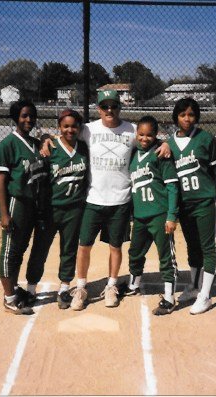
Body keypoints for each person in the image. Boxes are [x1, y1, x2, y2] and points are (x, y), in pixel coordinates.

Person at [43, 89, 170, 311]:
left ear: (120, 107)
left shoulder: (131, 130)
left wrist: (165, 143)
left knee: (115, 246)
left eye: (114, 106)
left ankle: (112, 285)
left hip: (120, 200)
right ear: (98, 109)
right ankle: (81, 287)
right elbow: (65, 133)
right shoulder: (88, 129)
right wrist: (47, 140)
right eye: (105, 107)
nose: (109, 110)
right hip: (93, 199)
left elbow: (147, 137)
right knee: (84, 245)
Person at [29, 109, 89, 309]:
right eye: (66, 126)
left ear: (79, 128)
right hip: (51, 209)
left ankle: (64, 288)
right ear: (59, 128)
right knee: (40, 248)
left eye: (74, 126)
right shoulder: (52, 147)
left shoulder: (84, 148)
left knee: (69, 248)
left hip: (74, 208)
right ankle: (30, 288)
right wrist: (44, 139)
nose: (70, 130)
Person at [168, 97, 216, 315]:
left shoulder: (206, 139)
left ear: (196, 116)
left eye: (191, 114)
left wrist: (211, 194)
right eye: (182, 114)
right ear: (176, 117)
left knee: (209, 246)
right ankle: (193, 285)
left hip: (205, 201)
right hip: (184, 204)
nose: (187, 118)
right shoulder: (169, 143)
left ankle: (205, 295)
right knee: (192, 245)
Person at [0, 99, 47, 315]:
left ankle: (15, 290)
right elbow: (0, 182)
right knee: (10, 251)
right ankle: (9, 299)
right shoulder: (7, 144)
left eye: (32, 116)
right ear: (16, 117)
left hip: (33, 205)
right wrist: (4, 214)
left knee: (21, 249)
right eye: (24, 115)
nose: (29, 119)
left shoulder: (35, 143)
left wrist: (45, 139)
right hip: (17, 203)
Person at [126, 115, 179, 315]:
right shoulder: (132, 154)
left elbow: (172, 186)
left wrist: (171, 215)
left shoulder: (160, 154)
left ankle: (169, 297)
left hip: (159, 213)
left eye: (149, 135)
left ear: (156, 135)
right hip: (140, 215)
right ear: (136, 134)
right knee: (135, 252)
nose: (145, 138)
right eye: (141, 134)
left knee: (165, 256)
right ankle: (133, 285)